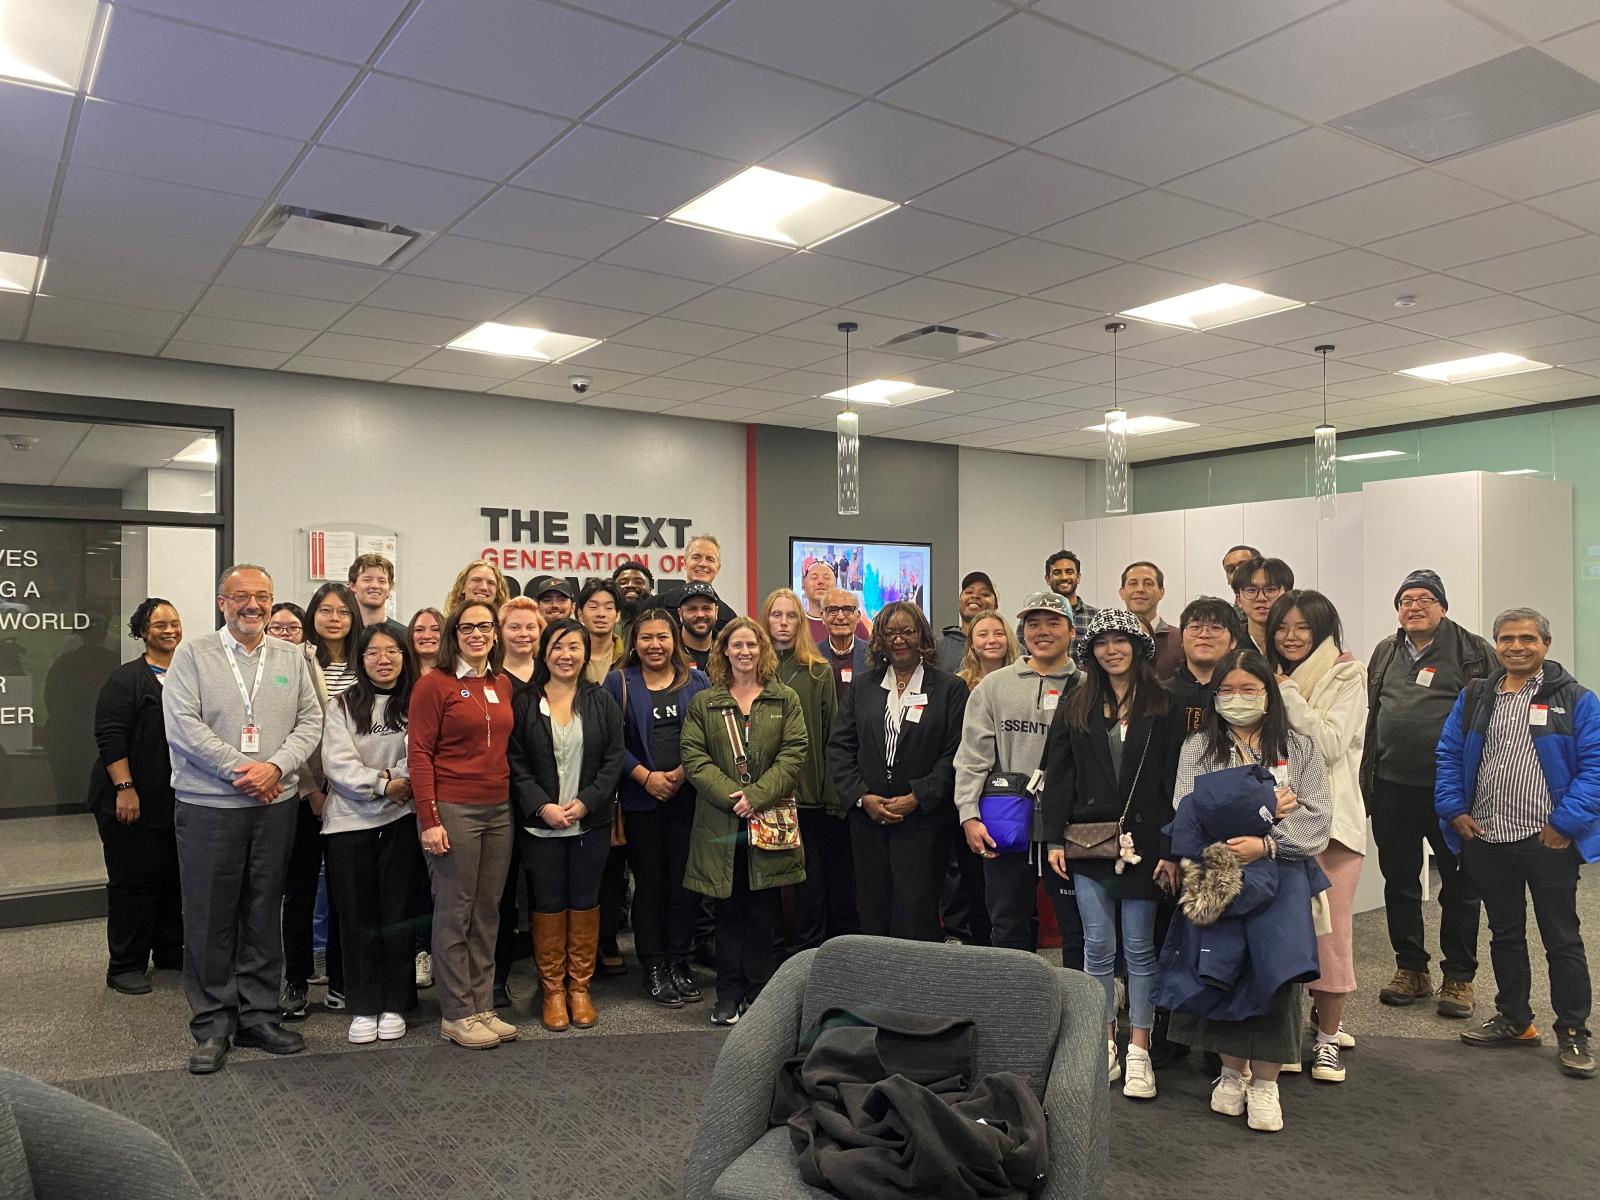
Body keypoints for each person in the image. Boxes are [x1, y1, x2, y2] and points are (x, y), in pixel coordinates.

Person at [163, 564, 323, 1074]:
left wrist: (275, 767)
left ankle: (258, 1014)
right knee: (209, 915)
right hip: (210, 806)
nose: (253, 605)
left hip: (274, 805)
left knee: (262, 910)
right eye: (241, 597)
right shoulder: (193, 656)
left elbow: (311, 719)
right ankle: (212, 1022)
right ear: (221, 602)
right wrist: (245, 770)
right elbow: (183, 726)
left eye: (263, 597)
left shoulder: (291, 656)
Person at [1166, 648, 1332, 1133]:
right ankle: (1230, 1072)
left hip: (1281, 876)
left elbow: (1316, 818)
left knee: (1274, 974)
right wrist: (1265, 805)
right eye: (1228, 690)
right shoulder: (1198, 747)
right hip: (1218, 876)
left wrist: (1265, 843)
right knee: (1222, 971)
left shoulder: (1298, 747)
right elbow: (1186, 808)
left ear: (1268, 693)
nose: (1237, 699)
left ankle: (1266, 1083)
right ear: (1215, 695)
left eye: (1249, 689)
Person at [1437, 607, 1598, 1079]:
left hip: (1546, 839)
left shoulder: (1576, 699)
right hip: (1486, 835)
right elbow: (1448, 754)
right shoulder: (1475, 696)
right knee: (1504, 933)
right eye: (1506, 639)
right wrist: (1454, 810)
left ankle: (1572, 1030)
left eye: (1527, 638)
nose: (1516, 646)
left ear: (1545, 644)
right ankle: (1514, 1019)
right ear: (1495, 645)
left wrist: (1566, 822)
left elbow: (1595, 767)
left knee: (1561, 938)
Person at [1042, 609, 1181, 1099]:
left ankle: (1139, 1048)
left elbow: (1173, 783)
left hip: (1147, 846)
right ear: (1091, 652)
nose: (1112, 650)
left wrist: (1172, 848)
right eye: (1102, 643)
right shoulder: (1077, 702)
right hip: (1087, 842)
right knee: (1097, 947)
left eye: (1121, 641)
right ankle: (1103, 1043)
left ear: (1138, 648)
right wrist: (1054, 838)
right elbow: (1057, 774)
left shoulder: (1164, 704)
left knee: (1141, 950)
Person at [1363, 569, 1492, 1017]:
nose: (1413, 607)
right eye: (1404, 600)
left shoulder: (1474, 652)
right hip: (1392, 788)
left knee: (1459, 886)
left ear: (1443, 606)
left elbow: (1494, 718)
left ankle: (1459, 977)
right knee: (1399, 883)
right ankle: (1411, 969)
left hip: (1451, 793)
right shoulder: (1384, 652)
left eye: (1423, 599)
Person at [681, 618, 809, 1026]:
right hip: (721, 820)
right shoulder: (705, 702)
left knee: (763, 910)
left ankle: (757, 991)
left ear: (762, 650)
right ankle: (727, 993)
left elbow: (794, 753)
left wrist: (756, 796)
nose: (744, 652)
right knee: (728, 910)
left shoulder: (784, 699)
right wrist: (731, 797)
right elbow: (694, 757)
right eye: (736, 645)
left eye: (751, 645)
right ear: (724, 652)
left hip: (767, 818)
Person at [408, 601, 518, 1050]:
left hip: (499, 810)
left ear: (495, 634)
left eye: (485, 627)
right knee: (456, 910)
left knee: (487, 911)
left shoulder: (501, 683)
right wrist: (429, 819)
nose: (477, 634)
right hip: (454, 808)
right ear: (454, 633)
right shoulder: (434, 685)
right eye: (468, 627)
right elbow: (419, 755)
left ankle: (481, 1003)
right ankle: (455, 1012)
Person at [1268, 589, 1368, 1083]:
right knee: (1285, 936)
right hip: (1280, 822)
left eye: (1302, 627)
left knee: (1332, 937)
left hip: (1332, 827)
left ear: (1323, 629)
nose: (1290, 636)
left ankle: (1328, 1040)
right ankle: (1285, 1035)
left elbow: (1328, 743)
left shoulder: (1347, 674)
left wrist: (1285, 692)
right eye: (1283, 627)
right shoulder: (1265, 672)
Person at [509, 618, 625, 1032]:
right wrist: (543, 807)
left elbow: (614, 760)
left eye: (574, 647)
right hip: (542, 827)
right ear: (544, 651)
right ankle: (553, 990)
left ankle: (579, 987)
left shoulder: (601, 701)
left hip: (589, 823)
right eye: (557, 646)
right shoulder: (524, 702)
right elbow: (516, 763)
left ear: (585, 652)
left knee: (585, 901)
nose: (566, 655)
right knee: (549, 904)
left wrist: (586, 802)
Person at [829, 602, 967, 942]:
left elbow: (956, 753)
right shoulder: (862, 686)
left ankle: (917, 990)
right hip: (869, 820)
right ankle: (878, 988)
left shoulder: (950, 688)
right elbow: (839, 746)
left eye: (907, 631)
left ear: (922, 636)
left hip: (923, 822)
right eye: (890, 633)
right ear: (879, 640)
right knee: (874, 910)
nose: (899, 639)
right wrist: (862, 797)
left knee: (916, 912)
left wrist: (918, 796)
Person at [955, 592, 1080, 960]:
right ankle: (1015, 1006)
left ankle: (1081, 1010)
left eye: (1053, 623)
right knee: (1007, 925)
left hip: (1068, 829)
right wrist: (968, 815)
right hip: (1005, 825)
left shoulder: (1089, 687)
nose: (1042, 631)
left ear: (1071, 631)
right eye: (1034, 623)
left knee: (1076, 928)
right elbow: (972, 756)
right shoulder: (994, 686)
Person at [604, 609, 711, 1008]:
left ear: (675, 640)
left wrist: (682, 773)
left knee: (685, 884)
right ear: (634, 642)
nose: (655, 645)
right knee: (650, 885)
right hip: (641, 799)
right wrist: (646, 777)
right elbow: (611, 742)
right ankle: (653, 965)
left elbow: (706, 736)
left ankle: (679, 961)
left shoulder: (696, 680)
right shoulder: (619, 682)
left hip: (687, 798)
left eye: (662, 637)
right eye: (646, 637)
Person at [320, 624, 417, 1044]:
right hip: (349, 823)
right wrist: (383, 784)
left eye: (392, 651)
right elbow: (336, 764)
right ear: (360, 660)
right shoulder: (340, 705)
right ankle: (363, 1005)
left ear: (404, 655)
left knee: (397, 914)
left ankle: (395, 1001)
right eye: (373, 653)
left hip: (402, 819)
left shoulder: (418, 700)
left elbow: (423, 755)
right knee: (356, 916)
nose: (383, 659)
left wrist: (399, 782)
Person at [90, 597, 185, 995]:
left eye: (174, 623)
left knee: (171, 880)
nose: (169, 630)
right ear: (142, 630)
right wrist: (125, 789)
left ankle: (168, 952)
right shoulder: (126, 679)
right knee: (134, 882)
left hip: (173, 800)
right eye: (159, 624)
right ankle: (125, 965)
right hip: (129, 800)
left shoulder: (185, 674)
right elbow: (110, 736)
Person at [282, 582, 363, 1021]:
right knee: (300, 889)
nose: (334, 619)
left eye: (343, 612)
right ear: (313, 614)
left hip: (357, 796)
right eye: (326, 610)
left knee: (345, 891)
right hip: (307, 793)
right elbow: (291, 729)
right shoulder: (295, 660)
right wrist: (311, 789)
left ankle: (341, 980)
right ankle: (295, 979)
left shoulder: (368, 658)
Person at [763, 587, 853, 951]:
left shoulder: (819, 673)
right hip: (764, 797)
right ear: (765, 620)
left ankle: (808, 956)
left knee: (810, 883)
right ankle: (768, 957)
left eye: (791, 616)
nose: (783, 623)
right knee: (767, 883)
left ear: (801, 623)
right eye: (776, 615)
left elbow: (833, 736)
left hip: (809, 799)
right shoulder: (755, 670)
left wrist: (832, 797)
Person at [491, 597, 542, 1009]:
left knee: (544, 894)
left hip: (548, 799)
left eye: (531, 627)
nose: (523, 634)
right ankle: (496, 979)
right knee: (501, 894)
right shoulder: (490, 678)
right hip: (501, 797)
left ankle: (551, 982)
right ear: (499, 632)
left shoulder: (552, 674)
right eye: (515, 627)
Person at [1167, 598, 1242, 734]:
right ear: (1181, 639)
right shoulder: (1160, 695)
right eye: (1195, 627)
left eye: (1216, 628)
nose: (1204, 635)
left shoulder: (1243, 695)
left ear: (1233, 641)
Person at [1119, 561, 1183, 682]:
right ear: (1122, 593)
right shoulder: (1107, 639)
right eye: (1133, 584)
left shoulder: (1180, 640)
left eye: (1148, 584)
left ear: (1161, 592)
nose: (1140, 589)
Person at [665, 534, 736, 632]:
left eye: (710, 559)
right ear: (684, 563)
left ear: (718, 568)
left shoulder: (729, 619)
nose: (703, 564)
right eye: (696, 557)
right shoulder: (657, 604)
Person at [936, 571, 999, 673]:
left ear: (996, 605)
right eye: (969, 592)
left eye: (984, 594)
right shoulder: (938, 648)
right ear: (960, 602)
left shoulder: (1012, 648)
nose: (975, 596)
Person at [1231, 556, 1293, 654]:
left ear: (1288, 595)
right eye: (1251, 590)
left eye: (1271, 589)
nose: (1261, 598)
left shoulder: (1301, 641)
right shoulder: (1230, 642)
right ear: (1238, 600)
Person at [817, 587, 869, 702]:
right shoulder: (811, 656)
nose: (840, 617)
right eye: (832, 610)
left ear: (858, 616)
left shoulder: (874, 655)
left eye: (848, 610)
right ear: (822, 616)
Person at [802, 561, 870, 646]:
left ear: (836, 584)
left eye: (826, 578)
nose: (820, 582)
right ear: (804, 585)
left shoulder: (853, 623)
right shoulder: (796, 624)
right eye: (814, 578)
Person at [956, 609, 1020, 692]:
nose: (992, 640)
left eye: (999, 634)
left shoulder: (1023, 681)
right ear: (971, 643)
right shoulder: (959, 684)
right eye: (983, 635)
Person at [577, 578, 625, 686]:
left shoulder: (627, 657)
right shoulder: (570, 656)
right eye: (593, 607)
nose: (601, 614)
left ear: (617, 615)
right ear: (580, 615)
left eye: (608, 608)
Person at [348, 552, 406, 639]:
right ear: (353, 585)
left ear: (389, 588)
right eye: (367, 580)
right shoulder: (344, 633)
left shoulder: (404, 635)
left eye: (382, 581)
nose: (375, 586)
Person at [1045, 550, 1097, 636]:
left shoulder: (1096, 617)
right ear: (1047, 579)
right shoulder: (1033, 618)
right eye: (1057, 573)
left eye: (1069, 572)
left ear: (1078, 577)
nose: (1064, 577)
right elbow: (1018, 649)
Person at [677, 582, 722, 673]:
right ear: (680, 614)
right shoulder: (668, 649)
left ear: (716, 612)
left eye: (706, 608)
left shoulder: (727, 650)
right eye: (692, 609)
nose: (700, 615)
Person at [444, 559, 510, 615]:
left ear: (497, 593)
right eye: (476, 580)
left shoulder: (504, 628)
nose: (484, 587)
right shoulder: (446, 628)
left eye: (491, 583)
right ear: (462, 587)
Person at [612, 560, 655, 636]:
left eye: (638, 582)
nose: (630, 585)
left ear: (650, 588)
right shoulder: (606, 621)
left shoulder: (661, 619)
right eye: (623, 583)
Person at [407, 607, 444, 677]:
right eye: (419, 630)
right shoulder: (400, 674)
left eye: (435, 629)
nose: (427, 636)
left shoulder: (459, 674)